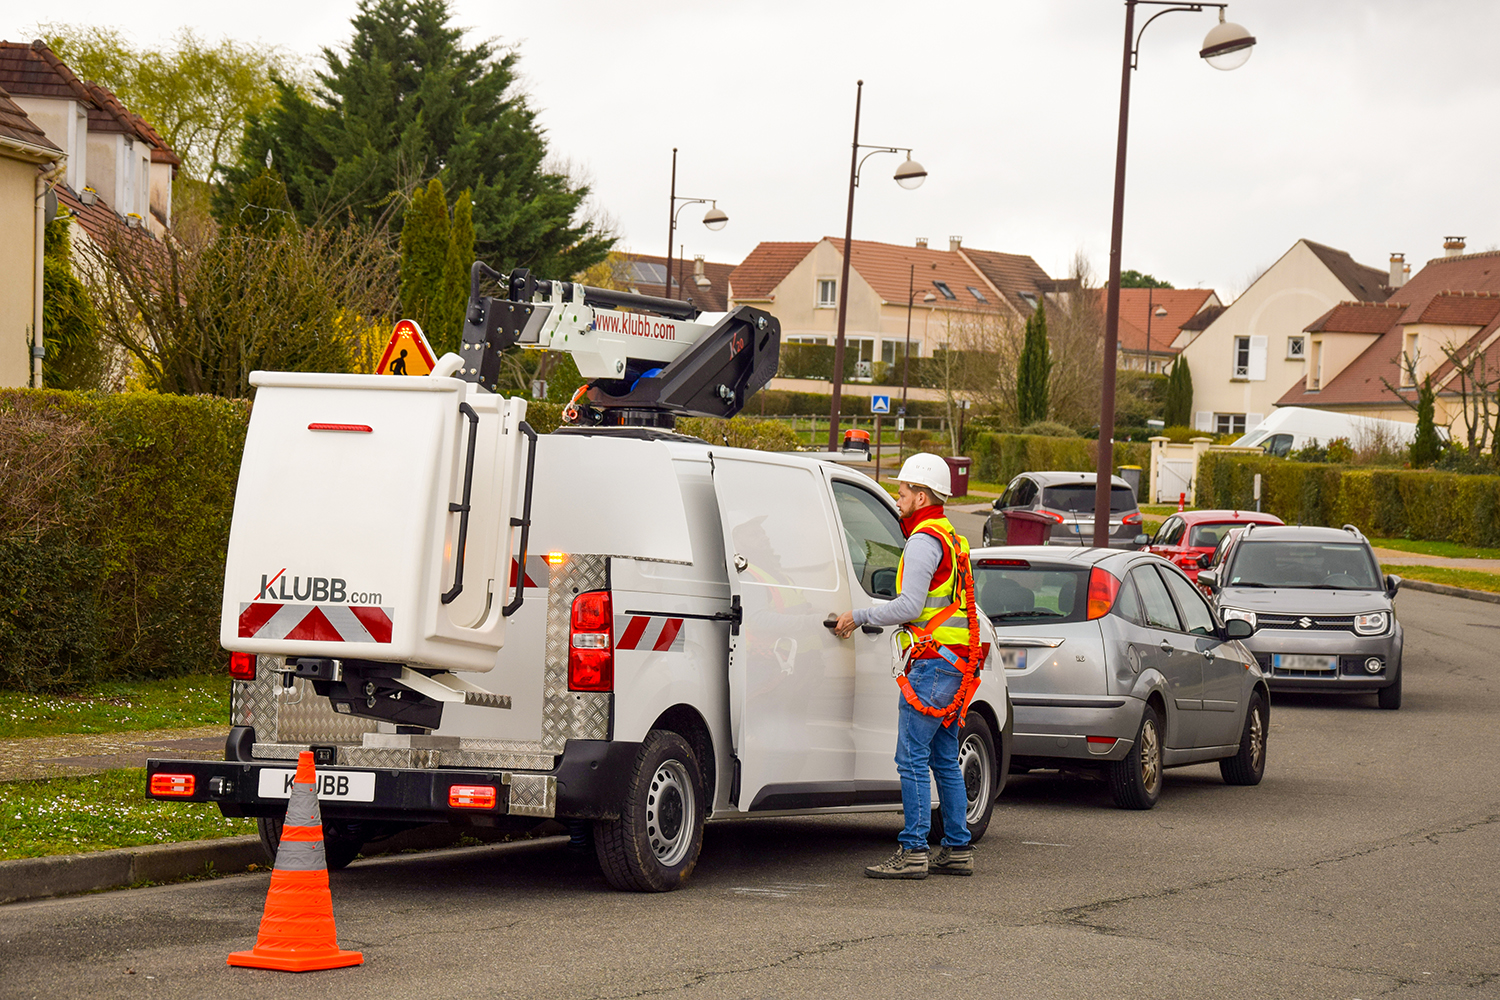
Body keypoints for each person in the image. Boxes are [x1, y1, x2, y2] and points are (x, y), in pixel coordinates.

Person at [835, 453, 978, 879]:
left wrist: (859, 615)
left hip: (933, 663)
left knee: (912, 757)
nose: (897, 500)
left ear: (920, 495)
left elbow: (911, 605)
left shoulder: (922, 540)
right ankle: (957, 849)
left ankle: (914, 850)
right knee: (943, 757)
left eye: (901, 493)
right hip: (955, 661)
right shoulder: (952, 537)